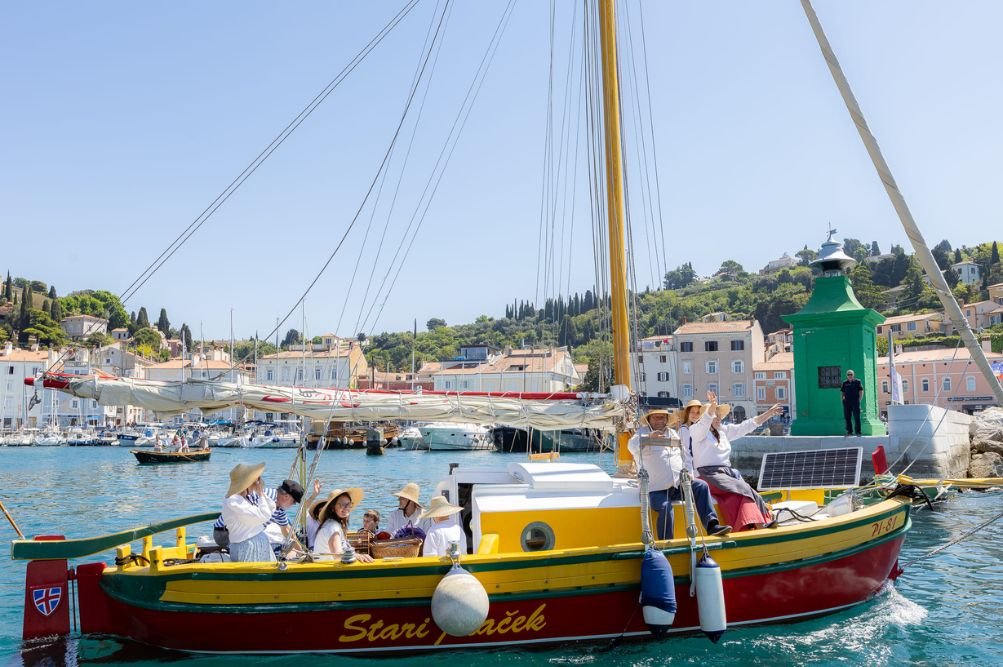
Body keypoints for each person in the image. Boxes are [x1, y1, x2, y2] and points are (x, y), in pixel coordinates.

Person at [627, 408, 731, 541]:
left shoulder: (672, 433)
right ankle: (667, 542)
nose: (659, 420)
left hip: (677, 486)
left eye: (662, 417)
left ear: (666, 419)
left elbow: (684, 456)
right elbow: (631, 446)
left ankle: (712, 526)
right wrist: (648, 438)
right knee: (665, 507)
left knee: (701, 486)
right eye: (655, 417)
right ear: (649, 420)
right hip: (655, 489)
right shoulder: (641, 433)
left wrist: (688, 472)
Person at [689, 391, 784, 531]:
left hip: (725, 474)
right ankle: (760, 525)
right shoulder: (696, 431)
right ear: (706, 417)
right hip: (708, 475)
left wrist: (768, 414)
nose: (718, 417)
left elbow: (746, 426)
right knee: (743, 488)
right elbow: (703, 424)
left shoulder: (722, 431)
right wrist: (712, 407)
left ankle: (748, 526)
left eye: (719, 415)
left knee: (740, 495)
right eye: (715, 414)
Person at [220, 462, 276, 562]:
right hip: (248, 547)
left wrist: (261, 493)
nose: (258, 483)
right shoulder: (234, 501)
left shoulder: (242, 499)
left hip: (252, 545)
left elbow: (271, 507)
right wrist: (260, 493)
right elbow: (264, 515)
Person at [313, 488, 374, 562]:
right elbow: (337, 555)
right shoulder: (333, 527)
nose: (346, 508)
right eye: (341, 505)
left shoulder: (332, 523)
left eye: (348, 504)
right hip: (328, 567)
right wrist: (357, 556)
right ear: (332, 508)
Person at [841, 369, 864, 436]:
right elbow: (842, 392)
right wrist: (843, 399)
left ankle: (858, 432)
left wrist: (859, 399)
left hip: (855, 402)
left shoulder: (857, 381)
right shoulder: (845, 383)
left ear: (853, 375)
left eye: (851, 374)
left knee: (856, 417)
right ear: (847, 375)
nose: (849, 376)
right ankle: (849, 431)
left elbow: (861, 391)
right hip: (847, 402)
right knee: (847, 417)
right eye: (848, 374)